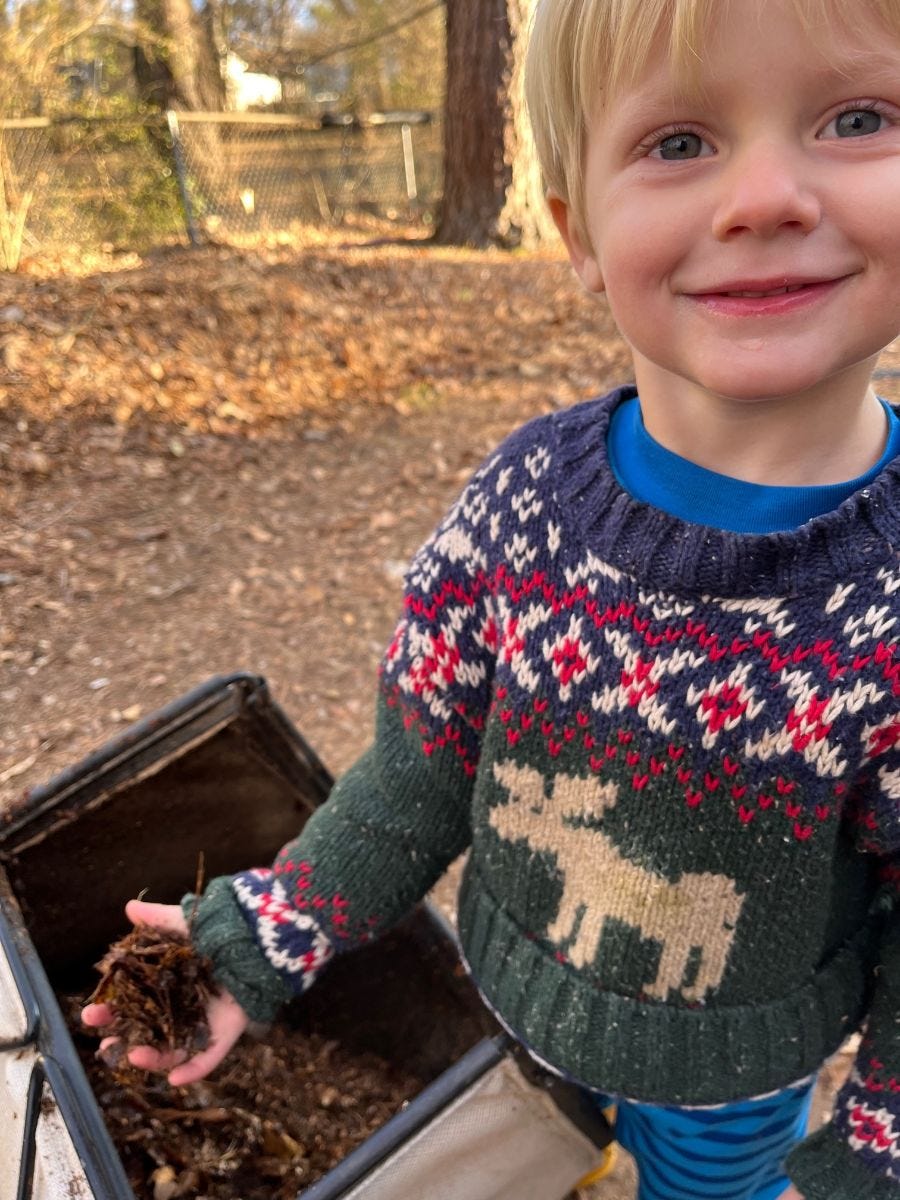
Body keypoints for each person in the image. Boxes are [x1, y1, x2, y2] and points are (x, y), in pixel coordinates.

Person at [84, 1, 900, 1196]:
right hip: (511, 993)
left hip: (730, 1084)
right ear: (579, 231)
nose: (765, 196)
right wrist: (270, 927)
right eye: (678, 142)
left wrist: (874, 1151)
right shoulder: (523, 504)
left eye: (858, 118)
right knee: (541, 1142)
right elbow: (422, 768)